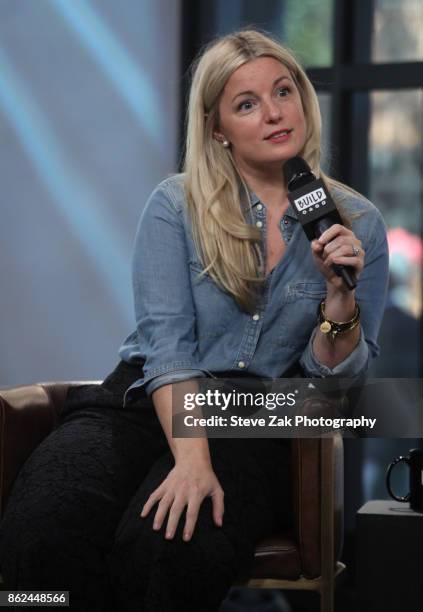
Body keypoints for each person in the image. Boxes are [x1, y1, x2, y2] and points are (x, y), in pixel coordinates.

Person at [0, 29, 389, 611]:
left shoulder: (358, 222)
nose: (276, 113)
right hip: (145, 401)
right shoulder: (175, 205)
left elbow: (329, 387)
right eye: (247, 103)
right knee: (45, 524)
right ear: (216, 129)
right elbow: (167, 348)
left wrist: (339, 301)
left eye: (284, 91)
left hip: (257, 422)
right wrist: (190, 459)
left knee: (169, 544)